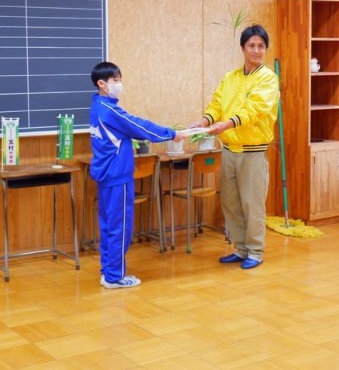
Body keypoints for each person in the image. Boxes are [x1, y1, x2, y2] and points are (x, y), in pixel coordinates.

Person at [89, 61, 186, 288]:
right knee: (120, 227)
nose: (119, 84)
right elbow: (139, 126)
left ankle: (108, 271)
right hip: (117, 177)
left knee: (108, 226)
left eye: (119, 80)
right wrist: (171, 134)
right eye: (115, 80)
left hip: (106, 177)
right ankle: (114, 276)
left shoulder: (97, 107)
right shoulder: (110, 110)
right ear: (102, 84)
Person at [191, 24, 279, 270]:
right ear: (243, 48)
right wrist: (205, 120)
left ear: (265, 49)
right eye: (251, 45)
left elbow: (255, 109)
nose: (256, 50)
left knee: (252, 204)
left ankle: (255, 252)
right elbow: (217, 103)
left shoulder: (268, 78)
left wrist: (227, 124)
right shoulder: (230, 77)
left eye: (261, 46)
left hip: (253, 152)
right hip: (229, 150)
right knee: (230, 203)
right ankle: (241, 249)